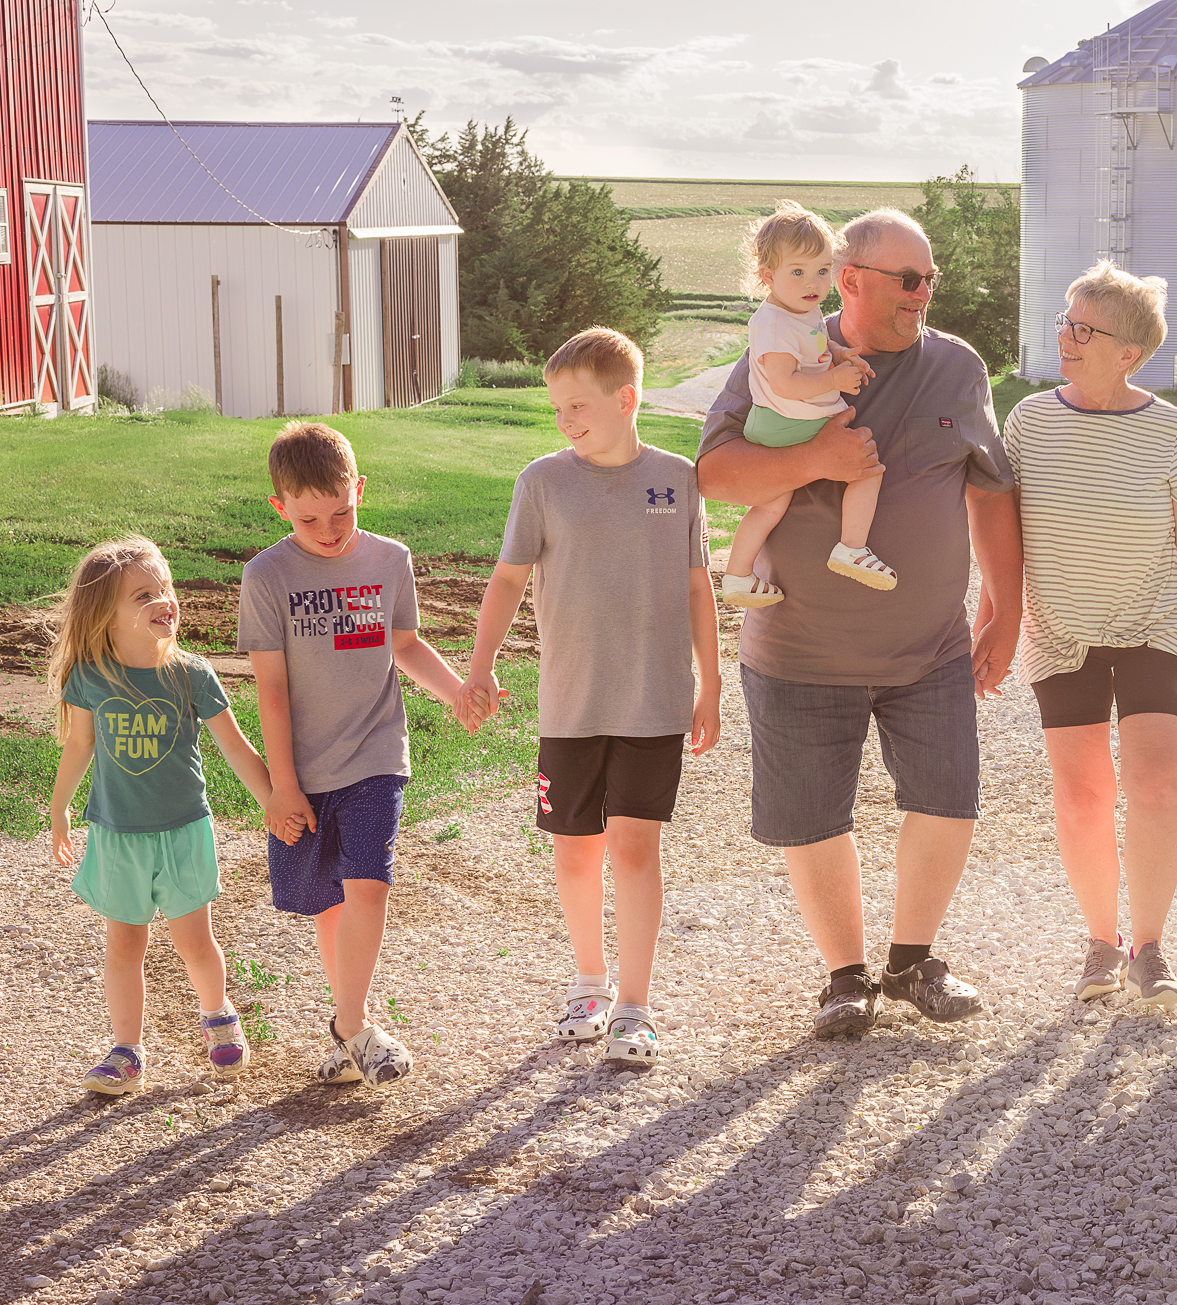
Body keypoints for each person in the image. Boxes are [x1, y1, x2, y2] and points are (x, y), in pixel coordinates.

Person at [697, 208, 1024, 1040]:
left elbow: (989, 490)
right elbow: (716, 473)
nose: (924, 294)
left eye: (930, 281)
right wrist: (815, 460)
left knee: (949, 802)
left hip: (930, 646)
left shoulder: (958, 368)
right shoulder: (782, 355)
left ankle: (914, 962)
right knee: (814, 818)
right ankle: (846, 977)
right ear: (850, 280)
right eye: (908, 280)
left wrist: (1006, 607)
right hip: (799, 646)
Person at [461, 328, 721, 1065]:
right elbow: (508, 580)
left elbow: (698, 584)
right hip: (570, 703)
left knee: (637, 848)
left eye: (578, 404)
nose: (565, 419)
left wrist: (713, 679)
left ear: (626, 398)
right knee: (577, 851)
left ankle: (635, 1006)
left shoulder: (678, 479)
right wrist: (479, 668)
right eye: (557, 407)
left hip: (654, 699)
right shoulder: (543, 482)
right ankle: (589, 983)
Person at [1005, 262, 1177, 1009]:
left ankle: (1150, 946)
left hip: (1157, 621)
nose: (1064, 337)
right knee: (1081, 794)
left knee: (1158, 781)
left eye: (1083, 329)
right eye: (1066, 322)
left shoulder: (1170, 428)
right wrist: (996, 615)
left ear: (1127, 352)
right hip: (1062, 627)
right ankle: (1101, 941)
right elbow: (1000, 533)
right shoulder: (1028, 422)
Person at [238, 421, 479, 1088]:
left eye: (342, 510)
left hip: (377, 753)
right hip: (307, 772)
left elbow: (404, 645)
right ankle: (351, 1028)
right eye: (310, 516)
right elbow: (273, 690)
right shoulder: (267, 575)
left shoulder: (389, 559)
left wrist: (456, 691)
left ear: (360, 490)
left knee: (369, 883)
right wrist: (281, 788)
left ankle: (352, 1024)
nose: (329, 527)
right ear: (279, 507)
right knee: (331, 905)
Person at [46, 537, 284, 1095]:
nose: (165, 601)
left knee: (194, 943)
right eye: (144, 595)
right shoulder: (89, 676)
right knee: (124, 945)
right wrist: (58, 811)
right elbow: (78, 747)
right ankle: (126, 1051)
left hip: (183, 831)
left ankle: (219, 1013)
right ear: (107, 614)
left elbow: (237, 748)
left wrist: (276, 802)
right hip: (117, 836)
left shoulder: (192, 674)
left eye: (167, 589)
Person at [719, 203, 887, 607]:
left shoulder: (799, 307)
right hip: (790, 420)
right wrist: (833, 380)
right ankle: (851, 548)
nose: (813, 282)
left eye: (822, 270)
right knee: (866, 468)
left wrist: (838, 352)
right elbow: (785, 382)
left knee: (771, 504)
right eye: (798, 271)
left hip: (784, 422)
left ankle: (738, 575)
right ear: (767, 276)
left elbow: (813, 342)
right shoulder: (773, 324)